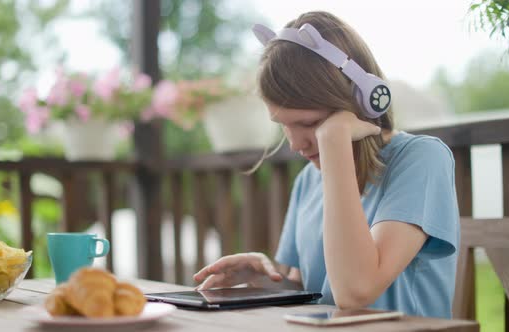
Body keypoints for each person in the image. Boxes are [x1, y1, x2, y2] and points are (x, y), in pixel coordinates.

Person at [193, 11, 459, 319]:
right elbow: (313, 291)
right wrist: (261, 282)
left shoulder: (420, 159)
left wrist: (334, 141)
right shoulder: (309, 180)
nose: (295, 144)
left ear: (364, 101)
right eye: (284, 125)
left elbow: (355, 292)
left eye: (309, 123)